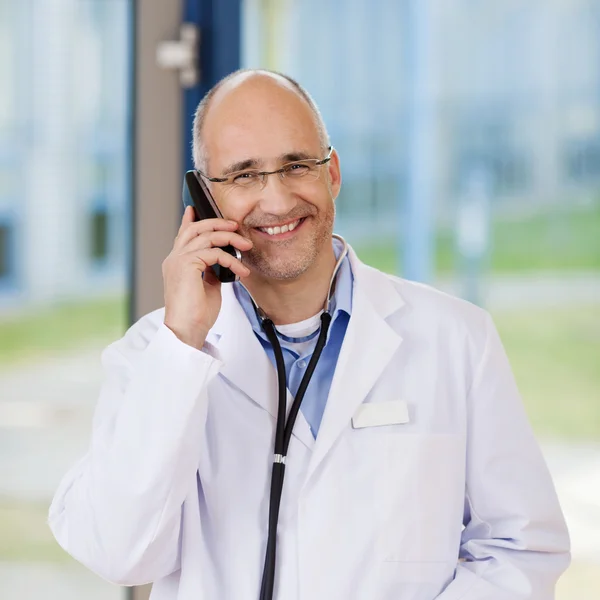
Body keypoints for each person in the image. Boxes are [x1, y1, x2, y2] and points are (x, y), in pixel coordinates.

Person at [49, 69, 570, 600]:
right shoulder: (154, 354)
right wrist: (182, 342)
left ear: (333, 173)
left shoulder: (457, 339)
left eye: (296, 165)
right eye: (244, 175)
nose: (276, 201)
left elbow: (520, 548)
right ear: (204, 200)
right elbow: (118, 552)